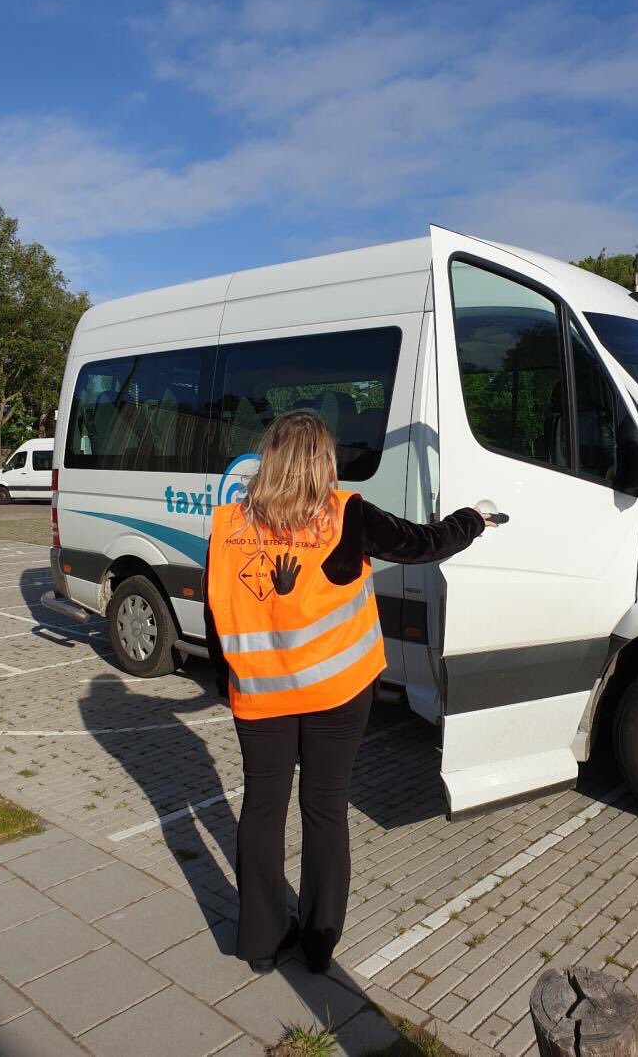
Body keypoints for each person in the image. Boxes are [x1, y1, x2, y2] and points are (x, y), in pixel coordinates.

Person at [205, 411, 494, 974]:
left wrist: (226, 681)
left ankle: (261, 941)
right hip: (338, 693)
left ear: (270, 458)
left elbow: (219, 613)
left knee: (262, 807)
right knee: (325, 806)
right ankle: (318, 944)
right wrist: (474, 519)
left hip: (259, 696)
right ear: (324, 462)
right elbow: (424, 544)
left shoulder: (228, 525)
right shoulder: (347, 515)